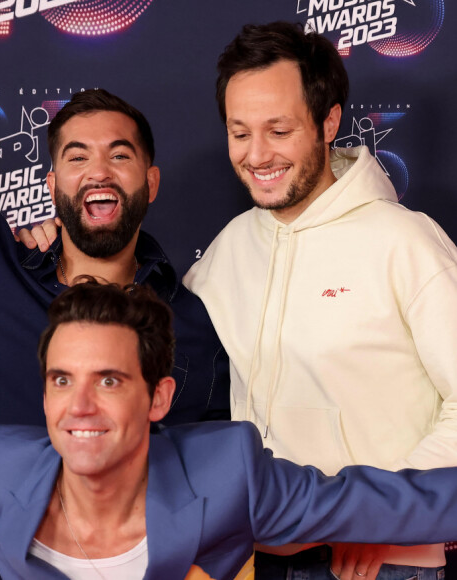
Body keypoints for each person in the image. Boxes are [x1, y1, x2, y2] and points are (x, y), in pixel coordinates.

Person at [0, 280, 457, 580]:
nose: (78, 406)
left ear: (158, 398)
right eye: (61, 380)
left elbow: (404, 502)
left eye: (108, 381)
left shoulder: (228, 476)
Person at [0, 89, 229, 579]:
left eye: (119, 155)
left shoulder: (191, 325)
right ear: (52, 183)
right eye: (77, 156)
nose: (98, 171)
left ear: (151, 183)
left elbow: (207, 482)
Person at [183, 21, 457, 580]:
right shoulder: (229, 249)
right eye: (240, 133)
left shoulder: (405, 241)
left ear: (328, 121)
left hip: (380, 563)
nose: (257, 156)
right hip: (260, 557)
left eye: (278, 131)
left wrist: (379, 517)